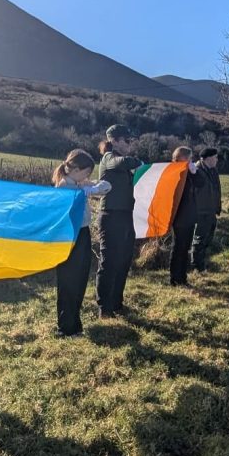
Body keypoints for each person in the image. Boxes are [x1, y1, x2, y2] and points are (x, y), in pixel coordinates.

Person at [52, 149, 111, 336]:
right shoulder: (64, 188)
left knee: (79, 281)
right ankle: (66, 327)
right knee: (69, 282)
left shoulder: (79, 184)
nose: (88, 177)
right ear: (75, 169)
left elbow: (107, 186)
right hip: (69, 239)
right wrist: (82, 191)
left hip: (83, 235)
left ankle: (75, 324)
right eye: (86, 172)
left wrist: (91, 188)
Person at [96, 124, 142, 318]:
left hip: (125, 215)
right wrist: (138, 162)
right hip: (111, 215)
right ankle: (104, 307)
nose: (130, 144)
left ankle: (117, 303)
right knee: (109, 262)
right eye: (127, 140)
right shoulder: (109, 158)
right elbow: (122, 162)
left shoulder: (122, 163)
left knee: (123, 261)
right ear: (114, 141)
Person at [168, 146, 204, 286]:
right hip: (178, 216)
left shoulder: (189, 172)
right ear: (180, 157)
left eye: (191, 158)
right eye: (188, 158)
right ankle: (174, 278)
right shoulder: (173, 170)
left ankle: (182, 277)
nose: (190, 160)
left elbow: (201, 183)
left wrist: (194, 172)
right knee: (178, 247)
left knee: (185, 247)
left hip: (189, 215)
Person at [191, 147, 222, 273]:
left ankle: (202, 264)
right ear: (208, 158)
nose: (217, 160)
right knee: (199, 240)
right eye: (215, 157)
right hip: (201, 212)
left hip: (211, 211)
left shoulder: (213, 171)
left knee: (207, 240)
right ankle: (196, 266)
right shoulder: (197, 171)